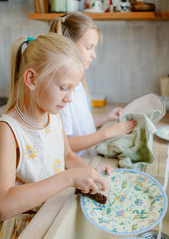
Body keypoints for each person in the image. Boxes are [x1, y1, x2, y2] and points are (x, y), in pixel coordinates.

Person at [0, 33, 112, 238]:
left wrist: (91, 174)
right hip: (29, 228)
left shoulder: (53, 115)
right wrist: (69, 177)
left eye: (73, 89)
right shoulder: (7, 129)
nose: (70, 98)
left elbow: (67, 156)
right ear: (31, 79)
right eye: (64, 88)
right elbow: (1, 206)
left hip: (54, 216)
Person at [49, 12, 137, 156]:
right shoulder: (61, 94)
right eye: (89, 47)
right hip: (72, 165)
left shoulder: (78, 85)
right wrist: (107, 133)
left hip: (85, 157)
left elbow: (81, 129)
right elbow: (66, 145)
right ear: (68, 46)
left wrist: (106, 118)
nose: (94, 55)